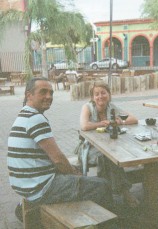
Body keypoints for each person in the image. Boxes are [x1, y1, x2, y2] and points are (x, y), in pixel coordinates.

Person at [7, 77, 113, 222]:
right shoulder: (36, 119)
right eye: (43, 92)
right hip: (40, 188)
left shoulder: (24, 115)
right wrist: (75, 175)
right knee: (102, 186)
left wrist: (74, 172)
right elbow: (58, 159)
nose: (49, 96)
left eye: (51, 93)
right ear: (28, 95)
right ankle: (104, 222)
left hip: (24, 184)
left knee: (78, 170)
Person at [79, 81, 140, 208]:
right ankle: (123, 191)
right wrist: (102, 123)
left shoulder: (111, 107)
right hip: (89, 148)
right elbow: (84, 126)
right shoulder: (88, 107)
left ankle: (109, 194)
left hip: (109, 145)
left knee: (111, 154)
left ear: (109, 95)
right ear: (92, 97)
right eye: (96, 94)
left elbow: (133, 119)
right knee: (106, 156)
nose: (100, 96)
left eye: (103, 93)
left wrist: (118, 121)